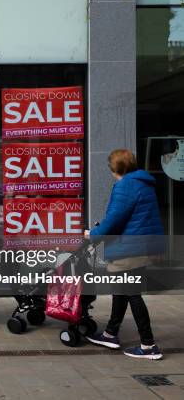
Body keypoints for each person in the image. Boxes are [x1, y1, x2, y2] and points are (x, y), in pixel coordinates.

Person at [85, 149, 164, 360]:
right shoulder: (143, 183)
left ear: (116, 167)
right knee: (122, 290)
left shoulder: (126, 185)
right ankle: (111, 334)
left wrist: (93, 234)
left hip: (130, 248)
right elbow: (131, 217)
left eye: (111, 166)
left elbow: (115, 219)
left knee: (132, 294)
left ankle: (148, 345)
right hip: (142, 245)